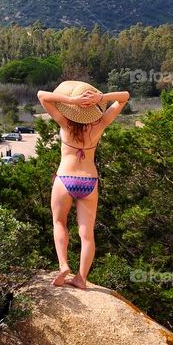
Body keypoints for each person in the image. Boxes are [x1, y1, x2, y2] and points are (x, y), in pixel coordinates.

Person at [37, 81, 130, 290]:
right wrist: (101, 99)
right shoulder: (100, 124)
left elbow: (42, 94)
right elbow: (124, 96)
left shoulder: (65, 123)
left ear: (74, 110)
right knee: (87, 233)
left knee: (59, 223)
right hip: (89, 181)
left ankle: (63, 265)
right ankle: (81, 278)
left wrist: (71, 100)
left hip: (65, 179)